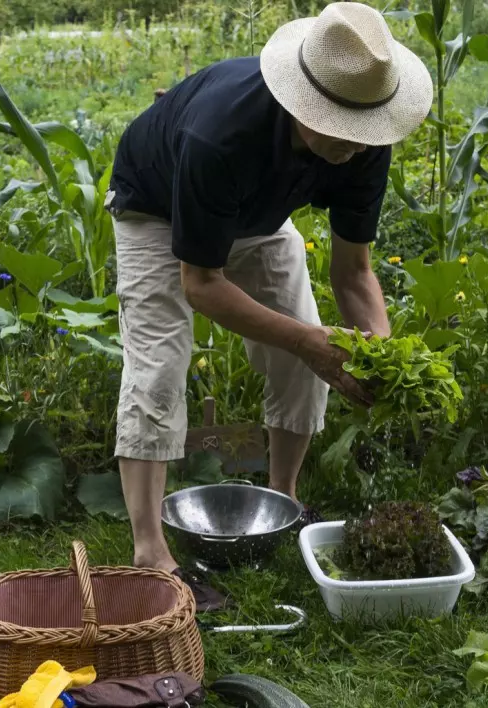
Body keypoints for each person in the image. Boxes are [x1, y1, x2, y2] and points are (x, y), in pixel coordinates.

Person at [105, 2, 432, 610]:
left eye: (358, 132)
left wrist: (381, 353)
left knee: (311, 353)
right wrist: (310, 342)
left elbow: (353, 271)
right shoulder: (221, 132)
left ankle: (284, 499)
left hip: (258, 220)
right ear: (297, 101)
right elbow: (201, 283)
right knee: (159, 366)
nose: (346, 145)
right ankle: (150, 550)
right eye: (331, 126)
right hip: (156, 211)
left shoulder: (364, 139)